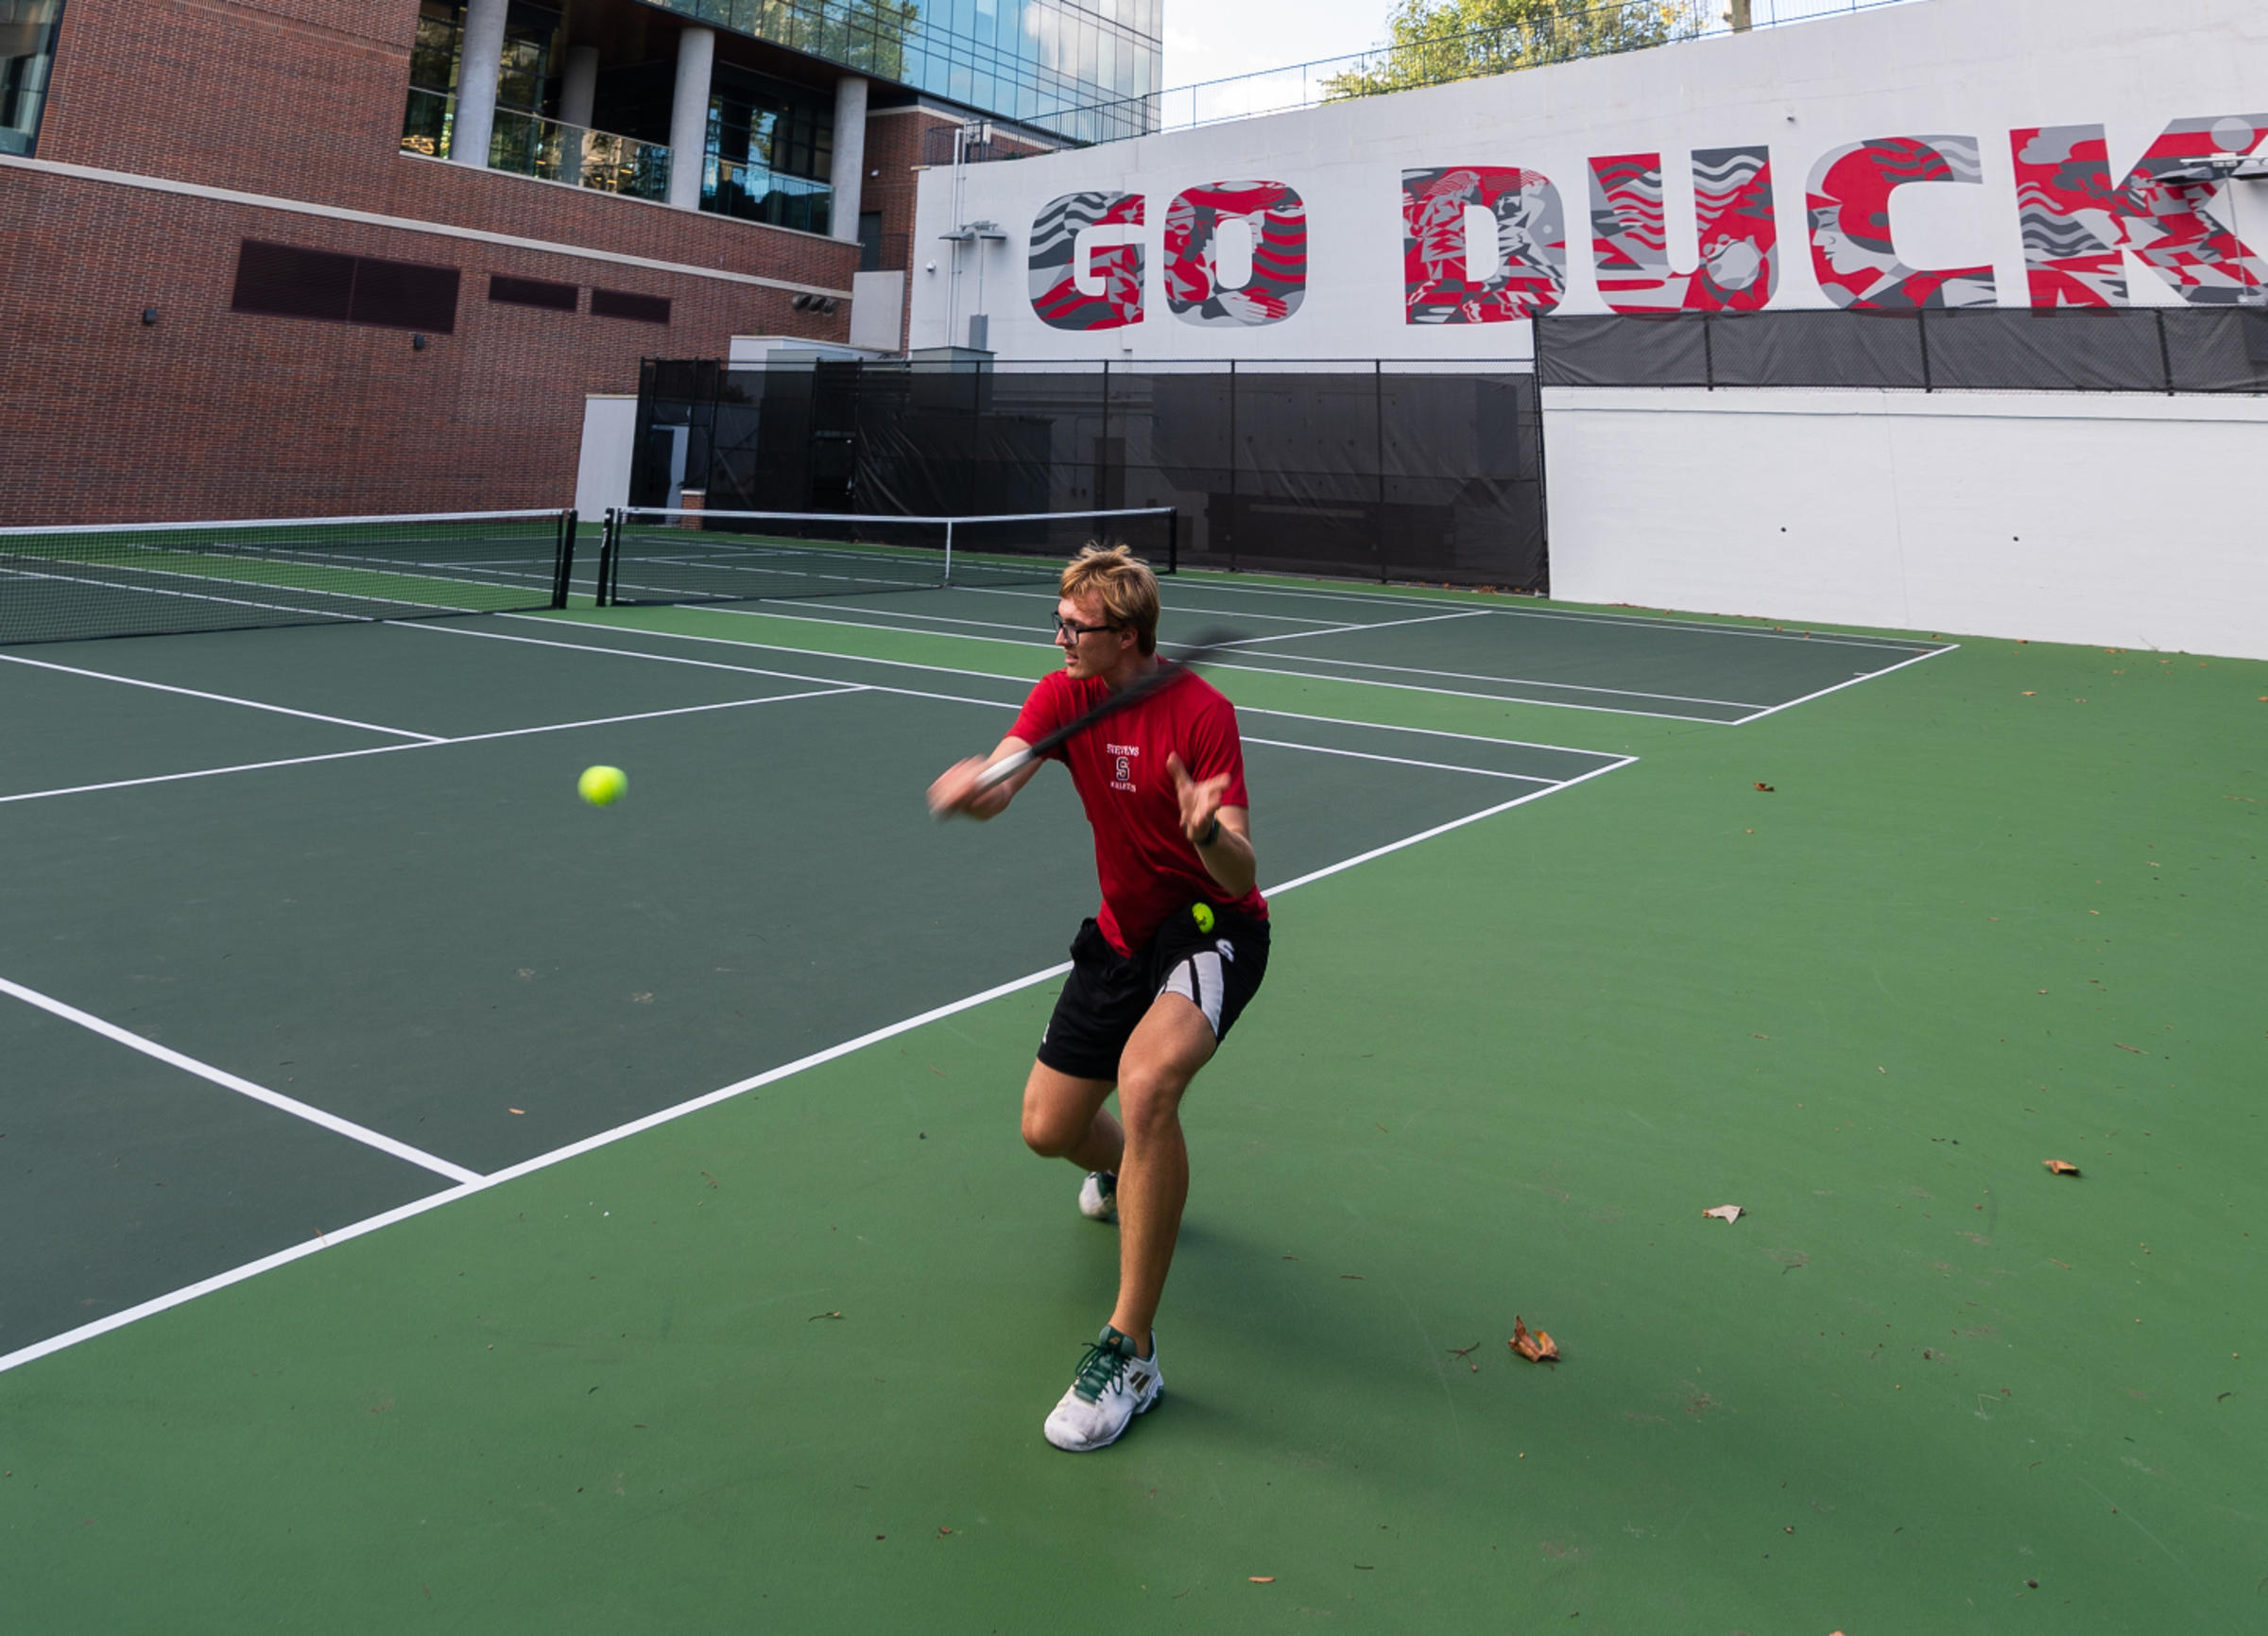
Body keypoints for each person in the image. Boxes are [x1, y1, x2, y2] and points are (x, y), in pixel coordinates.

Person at [927, 543, 1270, 1452]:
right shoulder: (1063, 694)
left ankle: (1134, 1350)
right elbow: (1005, 780)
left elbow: (1242, 863)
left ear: (1127, 635)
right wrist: (974, 787)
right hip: (1122, 935)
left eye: (1077, 626)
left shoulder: (1205, 717)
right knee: (1048, 1126)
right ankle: (1130, 1173)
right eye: (1060, 620)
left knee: (1148, 1083)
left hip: (1209, 927)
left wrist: (1207, 830)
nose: (1061, 636)